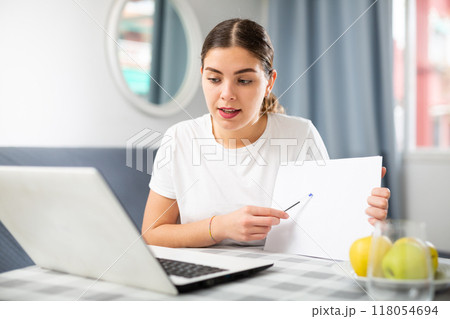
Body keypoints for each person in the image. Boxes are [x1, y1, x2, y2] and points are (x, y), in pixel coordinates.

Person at [141, 18, 390, 248]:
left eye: (244, 81)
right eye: (215, 79)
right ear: (202, 77)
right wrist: (220, 227)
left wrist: (363, 213)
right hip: (200, 277)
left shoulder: (300, 135)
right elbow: (152, 233)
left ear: (269, 82)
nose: (227, 94)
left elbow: (327, 226)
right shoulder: (179, 139)